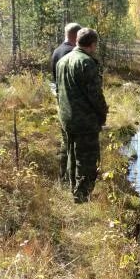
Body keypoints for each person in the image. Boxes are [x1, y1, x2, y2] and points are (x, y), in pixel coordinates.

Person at [56, 28, 108, 203]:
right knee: (87, 160)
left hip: (66, 118)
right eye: (95, 44)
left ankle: (71, 188)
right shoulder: (86, 62)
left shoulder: (62, 61)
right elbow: (95, 95)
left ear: (77, 41)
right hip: (84, 121)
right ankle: (81, 197)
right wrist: (103, 114)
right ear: (92, 44)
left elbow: (59, 92)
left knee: (71, 154)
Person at [52, 23, 82, 183]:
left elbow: (54, 82)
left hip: (61, 105)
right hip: (73, 107)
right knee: (75, 146)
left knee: (66, 141)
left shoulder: (56, 51)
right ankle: (73, 181)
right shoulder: (72, 53)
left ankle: (62, 176)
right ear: (76, 36)